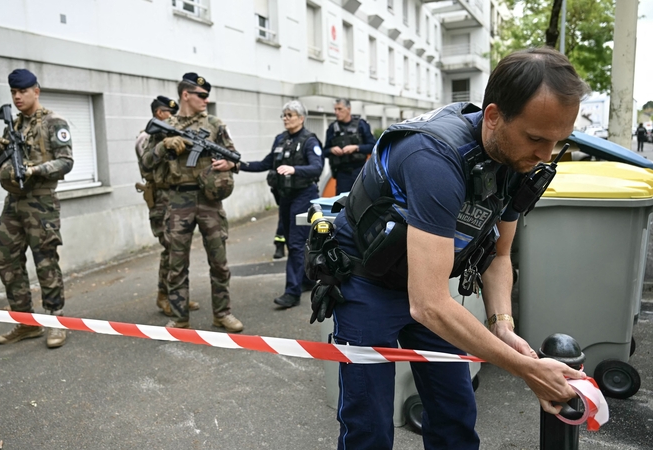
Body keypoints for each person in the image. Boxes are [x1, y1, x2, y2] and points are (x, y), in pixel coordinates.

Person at [310, 48, 591, 449]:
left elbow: (498, 255)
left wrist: (502, 325)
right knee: (369, 424)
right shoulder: (433, 158)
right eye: (535, 138)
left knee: (455, 412)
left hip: (431, 286)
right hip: (367, 283)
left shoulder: (519, 161)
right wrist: (527, 369)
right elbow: (427, 305)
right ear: (493, 117)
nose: (545, 155)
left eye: (557, 141)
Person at [141, 72, 244, 332]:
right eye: (201, 95)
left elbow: (236, 158)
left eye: (207, 95)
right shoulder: (164, 124)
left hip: (209, 201)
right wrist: (164, 146)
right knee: (176, 263)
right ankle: (179, 318)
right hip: (177, 200)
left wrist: (229, 163)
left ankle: (223, 314)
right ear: (185, 95)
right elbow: (146, 162)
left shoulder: (215, 124)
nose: (206, 100)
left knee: (219, 262)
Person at [0, 69, 74, 349]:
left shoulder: (53, 122)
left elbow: (66, 161)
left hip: (41, 201)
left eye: (22, 91)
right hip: (13, 203)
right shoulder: (13, 125)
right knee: (7, 262)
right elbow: (0, 164)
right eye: (13, 92)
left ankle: (56, 320)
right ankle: (26, 322)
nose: (17, 97)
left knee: (45, 262)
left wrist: (36, 169)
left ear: (36, 91)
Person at [239, 100, 323, 308]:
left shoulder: (309, 141)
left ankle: (291, 292)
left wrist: (295, 170)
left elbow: (317, 167)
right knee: (291, 240)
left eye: (290, 115)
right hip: (285, 196)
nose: (285, 118)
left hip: (303, 194)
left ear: (301, 118)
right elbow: (266, 163)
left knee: (295, 243)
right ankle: (306, 279)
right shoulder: (280, 139)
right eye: (284, 115)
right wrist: (236, 165)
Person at [134, 96, 199, 316]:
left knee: (179, 248)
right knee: (170, 248)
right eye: (168, 113)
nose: (172, 117)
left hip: (175, 196)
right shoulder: (147, 137)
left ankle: (178, 295)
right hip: (159, 198)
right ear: (159, 114)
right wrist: (164, 144)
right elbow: (148, 162)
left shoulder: (171, 133)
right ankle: (164, 296)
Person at [323, 98, 376, 194]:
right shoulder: (332, 128)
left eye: (340, 109)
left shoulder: (361, 125)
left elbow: (373, 146)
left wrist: (356, 148)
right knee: (342, 203)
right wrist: (332, 150)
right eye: (335, 109)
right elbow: (324, 151)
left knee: (362, 200)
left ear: (349, 109)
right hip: (342, 174)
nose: (337, 112)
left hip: (360, 172)